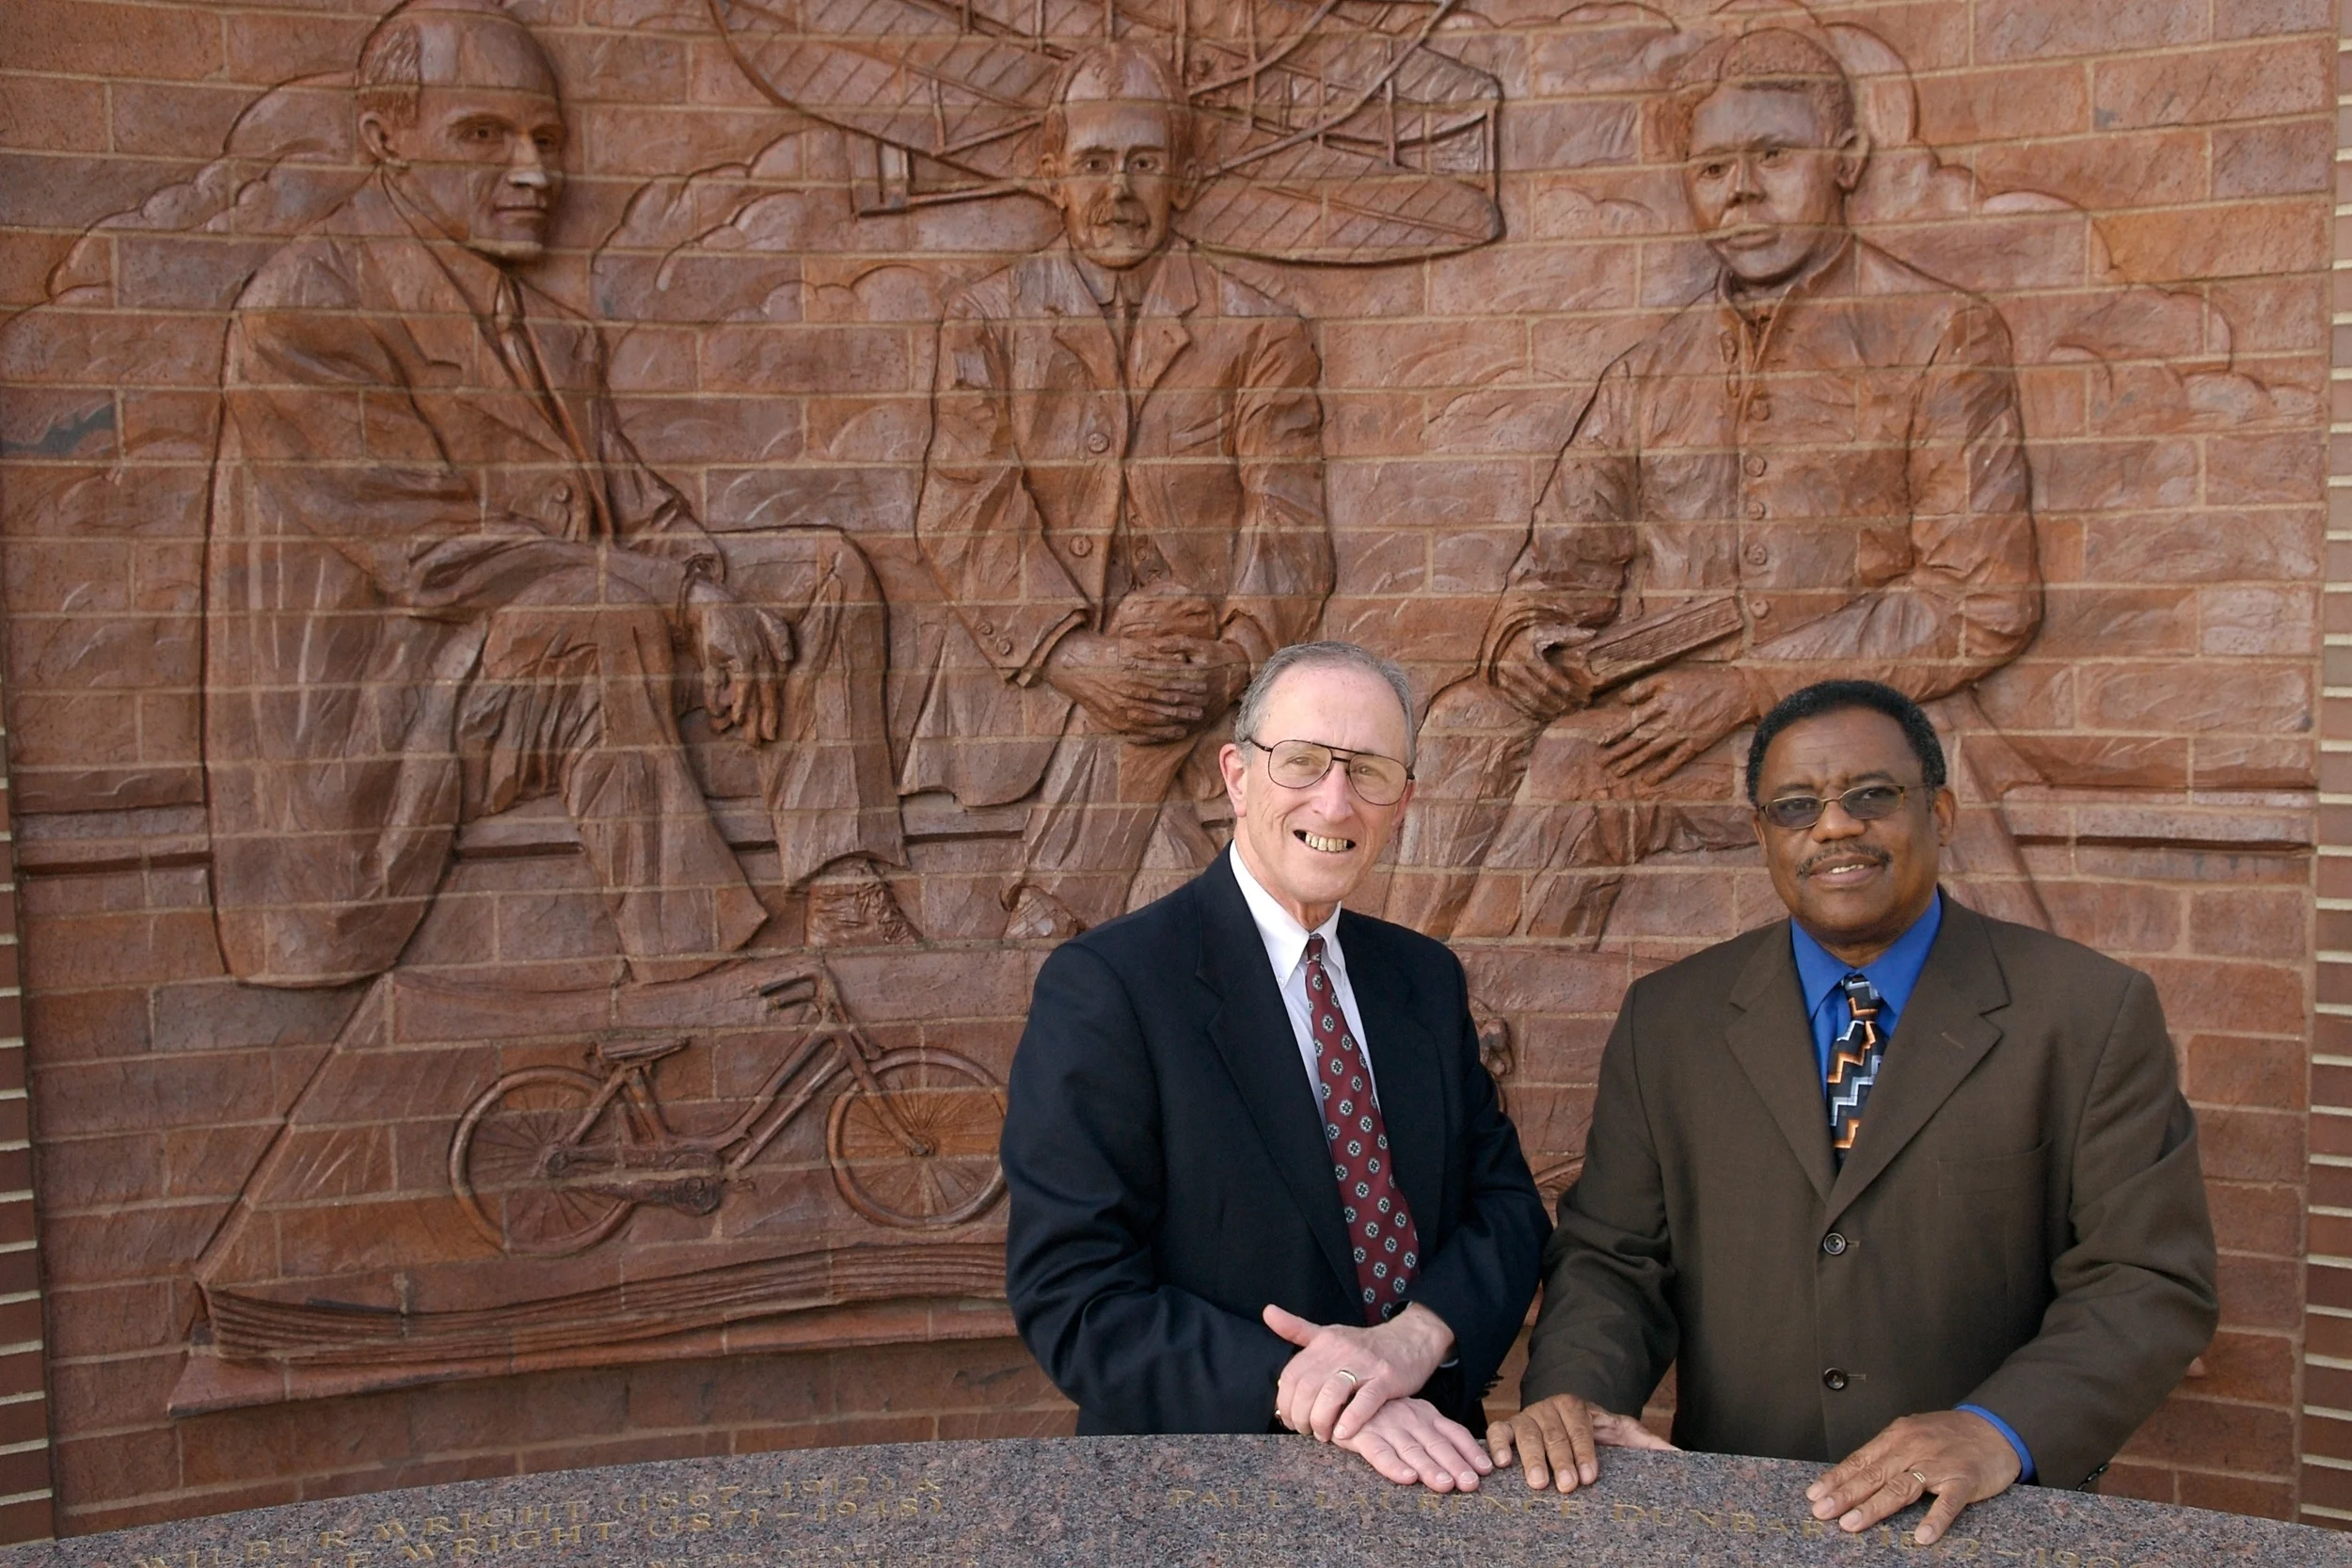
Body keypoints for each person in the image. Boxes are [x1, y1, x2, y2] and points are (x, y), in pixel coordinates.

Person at [205, 0, 915, 989]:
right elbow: (431, 552)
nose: (533, 171)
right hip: (396, 708)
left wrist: (707, 580)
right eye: (484, 135)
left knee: (820, 569)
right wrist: (680, 598)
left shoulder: (549, 330)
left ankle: (843, 883)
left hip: (525, 661)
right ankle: (699, 968)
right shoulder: (305, 310)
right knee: (606, 611)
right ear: (384, 138)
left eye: (546, 138)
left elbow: (642, 512)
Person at [1489, 679, 2217, 1544]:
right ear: (1762, 835)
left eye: (1871, 795)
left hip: (1987, 1521)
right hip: (1739, 1520)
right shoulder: (1669, 1021)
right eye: (1797, 806)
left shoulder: (2089, 1013)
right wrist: (1579, 1397)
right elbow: (1613, 1257)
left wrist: (2000, 1428)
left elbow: (2146, 1279)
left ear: (1940, 812)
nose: (1834, 826)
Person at [1387, 24, 2044, 949]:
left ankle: (1469, 1003)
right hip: (1666, 713)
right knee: (1464, 724)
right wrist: (1530, 640)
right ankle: (1390, 993)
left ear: (1846, 160)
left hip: (1853, 715)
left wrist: (1747, 686)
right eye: (1710, 168)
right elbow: (1560, 566)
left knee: (1579, 765)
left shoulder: (1940, 332)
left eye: (1772, 154)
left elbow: (1983, 598)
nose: (1739, 188)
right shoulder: (1648, 373)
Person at [1001, 641, 1549, 1490]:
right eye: (1300, 762)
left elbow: (1506, 1207)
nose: (1334, 799)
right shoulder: (1110, 987)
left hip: (1437, 1474)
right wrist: (1322, 1391)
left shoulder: (1423, 978)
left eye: (1367, 771)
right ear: (1237, 774)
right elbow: (1075, 1297)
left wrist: (1418, 1334)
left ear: (1402, 802)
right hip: (1203, 1489)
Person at [903, 42, 1332, 940]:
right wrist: (1072, 654)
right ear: (1052, 174)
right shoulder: (987, 318)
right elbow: (965, 509)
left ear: (1186, 176)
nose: (1120, 191)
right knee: (1189, 910)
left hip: (1198, 676)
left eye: (1144, 163)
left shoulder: (1261, 330)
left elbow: (1288, 524)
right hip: (1033, 676)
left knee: (1171, 638)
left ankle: (1053, 915)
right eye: (1095, 164)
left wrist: (1232, 655)